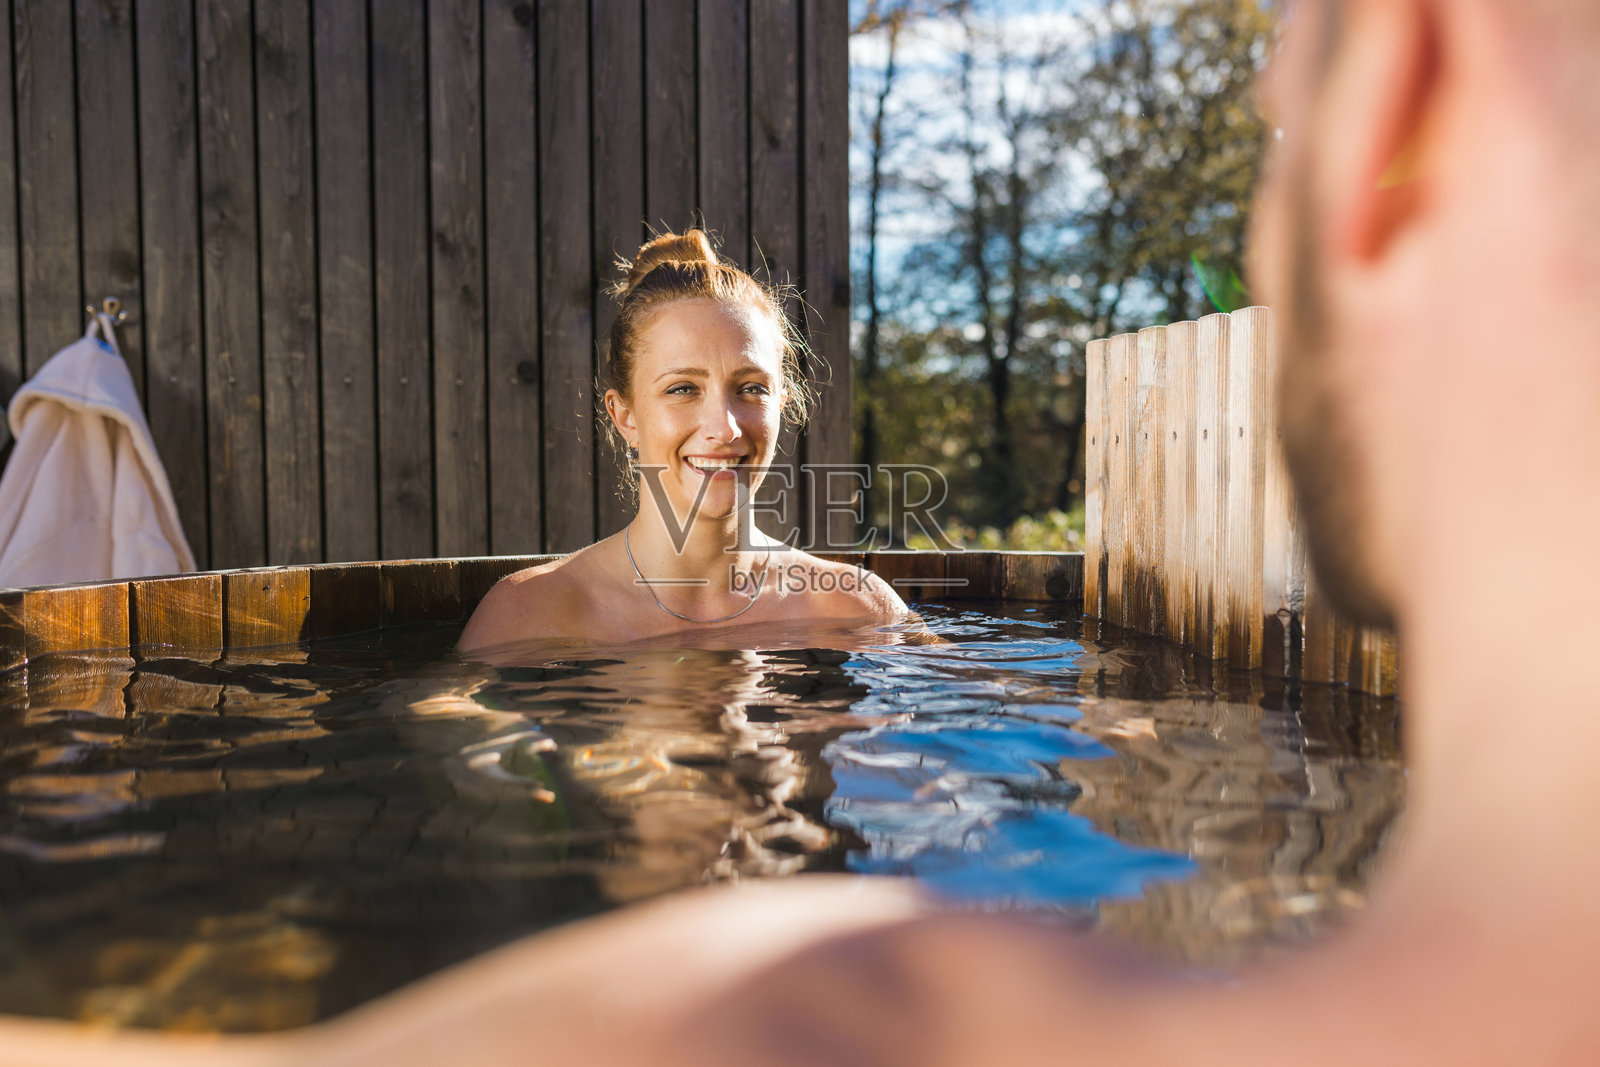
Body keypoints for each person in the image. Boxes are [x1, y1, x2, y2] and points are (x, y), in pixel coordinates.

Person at [458, 229, 905, 654]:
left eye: (751, 387)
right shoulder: (528, 613)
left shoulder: (857, 608)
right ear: (625, 415)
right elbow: (444, 720)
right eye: (682, 389)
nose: (725, 428)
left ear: (782, 404)